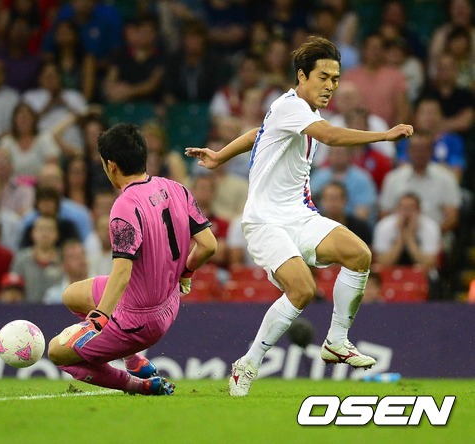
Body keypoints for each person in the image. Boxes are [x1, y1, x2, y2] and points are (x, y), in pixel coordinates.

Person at [186, 36, 413, 397]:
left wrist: (219, 155)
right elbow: (331, 136)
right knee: (303, 289)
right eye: (323, 77)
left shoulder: (296, 112)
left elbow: (257, 133)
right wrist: (384, 135)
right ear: (302, 76)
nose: (330, 86)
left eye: (335, 79)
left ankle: (337, 341)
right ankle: (247, 364)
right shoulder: (290, 107)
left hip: (299, 215)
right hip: (265, 221)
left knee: (359, 255)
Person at [47, 123, 217, 396]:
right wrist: (185, 273)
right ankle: (132, 359)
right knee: (71, 295)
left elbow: (122, 274)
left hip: (138, 321)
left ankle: (139, 385)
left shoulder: (124, 207)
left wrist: (99, 319)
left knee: (57, 353)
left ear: (111, 166)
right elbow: (208, 245)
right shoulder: (176, 188)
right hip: (169, 301)